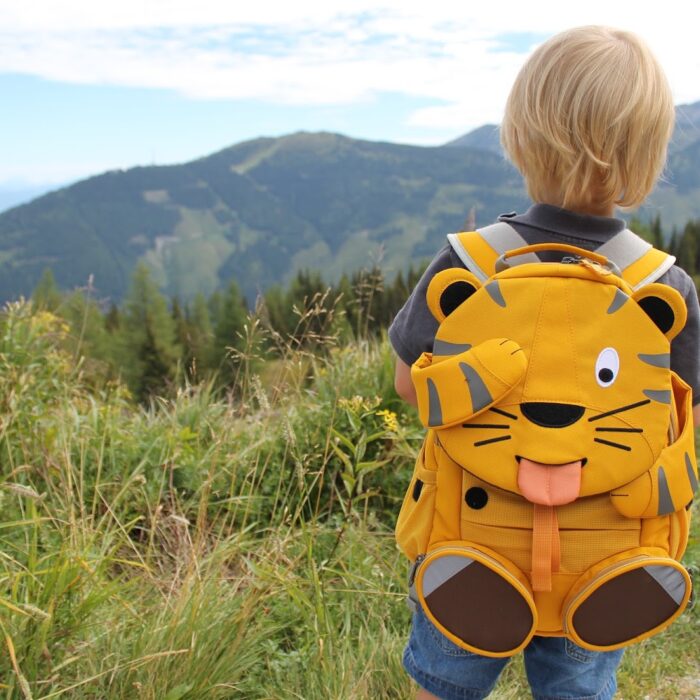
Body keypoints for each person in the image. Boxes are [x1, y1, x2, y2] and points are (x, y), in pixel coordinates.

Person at [388, 25, 700, 700]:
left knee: (444, 683)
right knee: (579, 689)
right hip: (605, 558)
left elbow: (409, 386)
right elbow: (683, 421)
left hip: (470, 545)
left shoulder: (469, 264)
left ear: (521, 137)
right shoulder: (662, 287)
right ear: (649, 154)